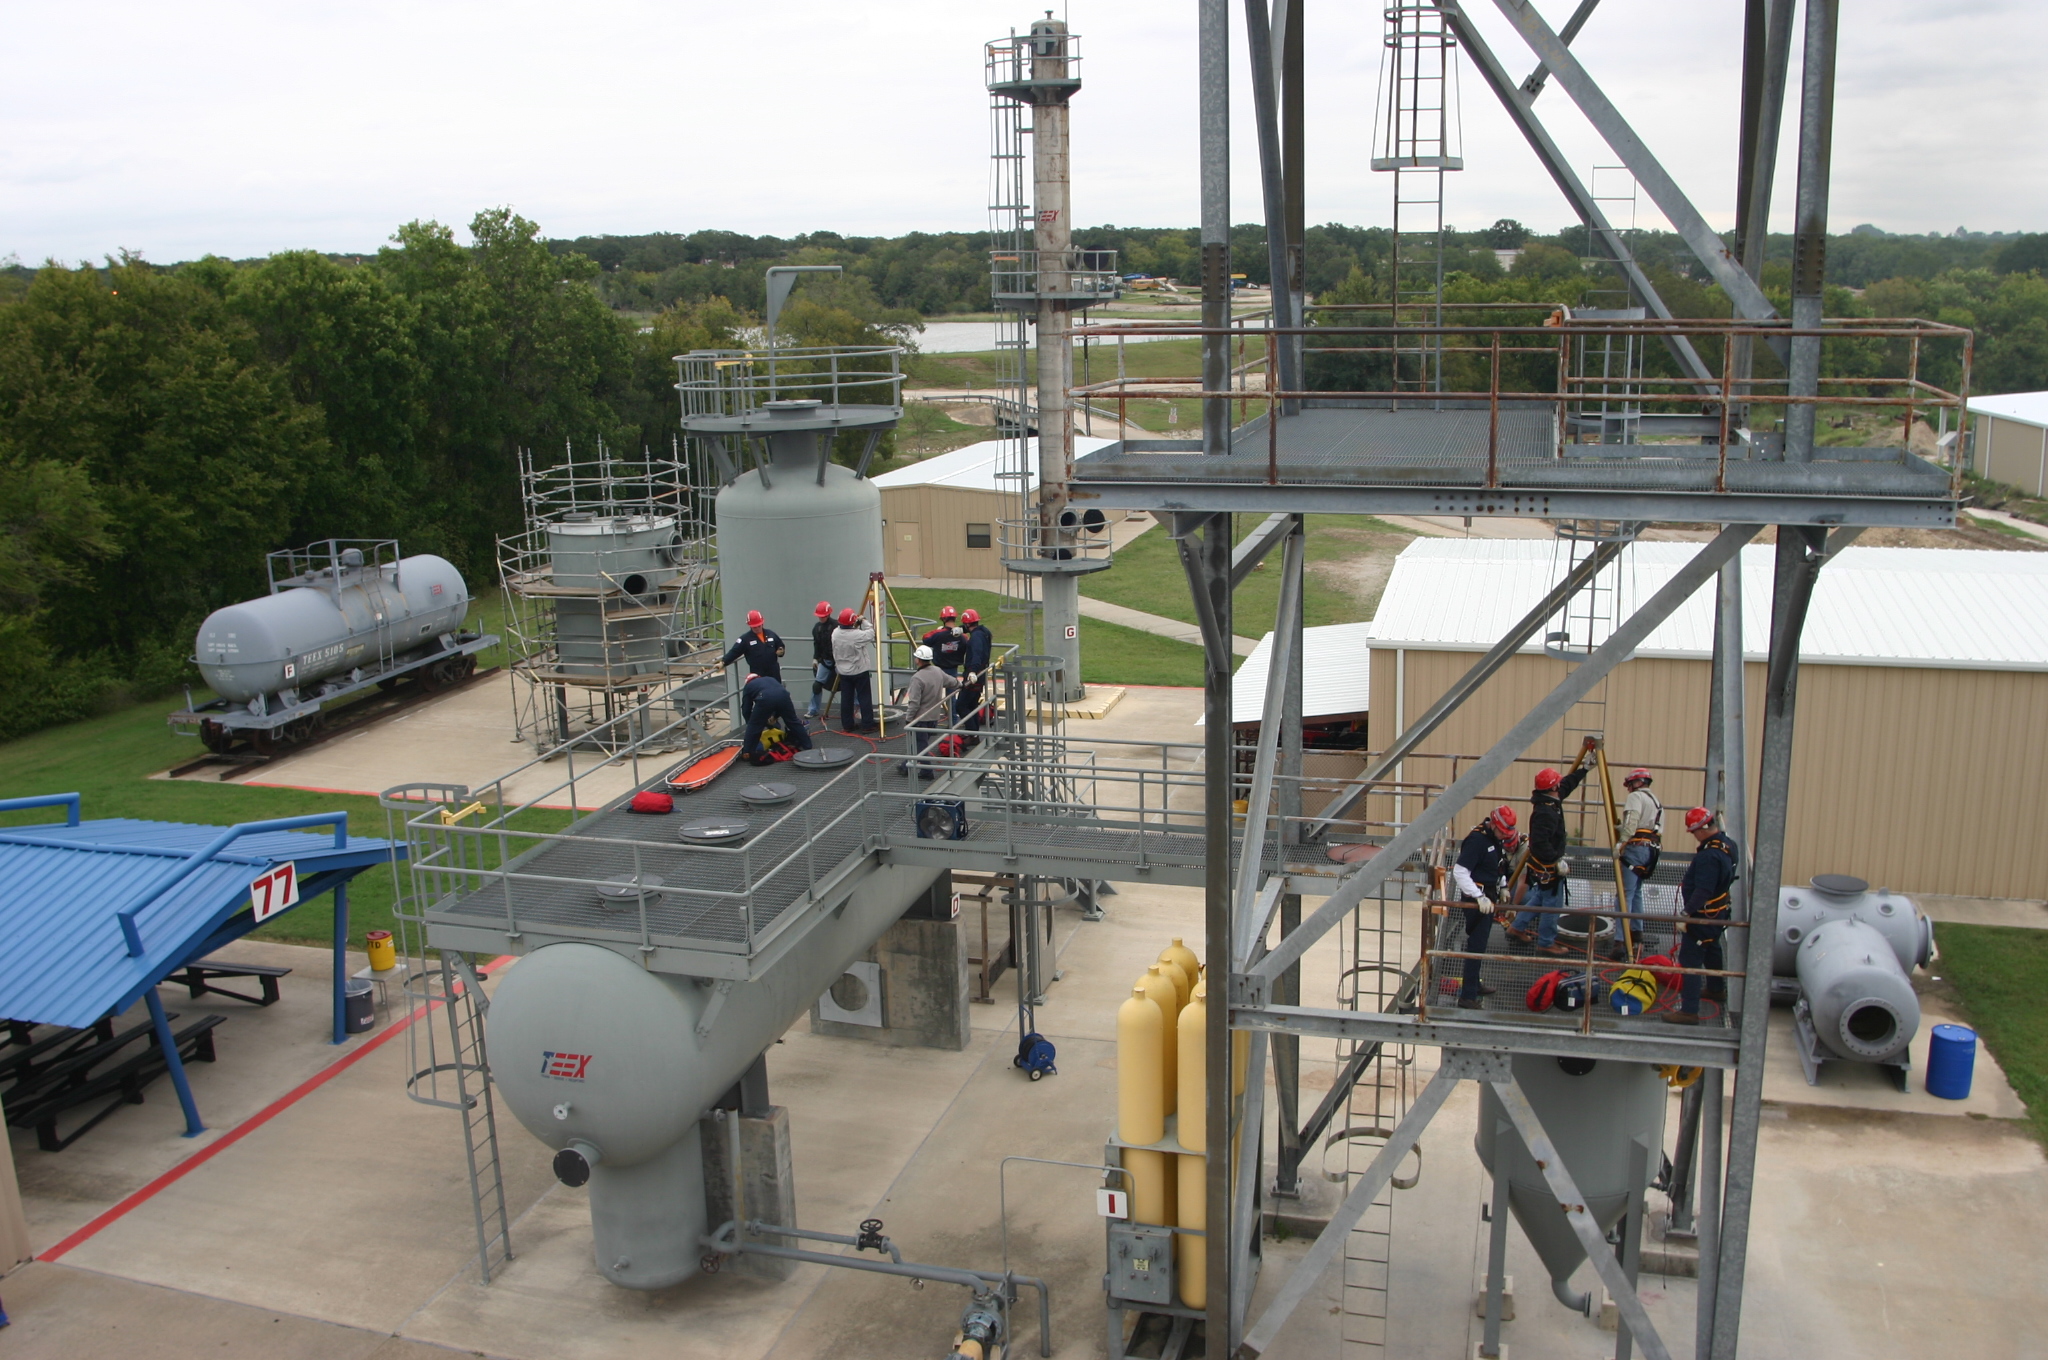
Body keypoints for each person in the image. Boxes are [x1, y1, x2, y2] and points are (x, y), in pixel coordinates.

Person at [1507, 743, 1595, 955]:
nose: (1560, 787)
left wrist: (1584, 769)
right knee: (1552, 905)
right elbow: (1540, 843)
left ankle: (1517, 927)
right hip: (1547, 865)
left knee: (1540, 898)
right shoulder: (1546, 812)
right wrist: (1556, 862)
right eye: (1557, 784)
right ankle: (1546, 942)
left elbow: (1567, 785)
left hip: (1543, 864)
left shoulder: (1549, 800)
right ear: (1552, 788)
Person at [1664, 807, 1740, 1025]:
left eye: (1694, 831)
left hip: (1703, 918)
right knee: (1712, 947)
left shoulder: (1709, 856)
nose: (1694, 835)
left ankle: (1689, 1011)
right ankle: (1716, 989)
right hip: (1719, 914)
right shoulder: (1728, 845)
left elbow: (1704, 890)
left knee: (1690, 960)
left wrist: (1686, 915)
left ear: (1703, 828)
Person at [1451, 806, 1520, 1009]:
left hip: (1487, 898)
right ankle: (1468, 996)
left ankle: (1474, 984)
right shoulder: (1477, 841)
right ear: (1494, 825)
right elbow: (1460, 872)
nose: (1503, 837)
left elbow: (1498, 866)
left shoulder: (1494, 839)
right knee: (1476, 946)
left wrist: (1503, 886)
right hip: (1477, 901)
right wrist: (1479, 897)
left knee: (1479, 944)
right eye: (1502, 833)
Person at [902, 643, 961, 779]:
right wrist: (962, 685)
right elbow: (952, 682)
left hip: (920, 719)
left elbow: (914, 702)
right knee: (919, 744)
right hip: (934, 717)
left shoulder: (917, 678)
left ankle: (926, 772)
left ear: (918, 659)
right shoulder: (937, 671)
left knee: (922, 747)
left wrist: (909, 719)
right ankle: (906, 765)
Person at [1618, 767, 1663, 920]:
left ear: (1638, 782)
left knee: (1625, 895)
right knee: (1636, 893)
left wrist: (1621, 842)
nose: (1629, 789)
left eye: (1630, 784)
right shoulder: (1656, 802)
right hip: (1651, 851)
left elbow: (1632, 821)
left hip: (1636, 849)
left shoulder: (1636, 797)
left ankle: (1621, 938)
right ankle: (1637, 935)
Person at [738, 673, 813, 763]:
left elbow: (746, 709)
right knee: (793, 721)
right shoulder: (770, 678)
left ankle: (747, 752)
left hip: (764, 698)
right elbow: (776, 697)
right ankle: (808, 745)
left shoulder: (748, 686)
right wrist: (775, 716)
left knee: (754, 726)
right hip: (784, 696)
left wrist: (750, 722)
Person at [830, 607, 877, 732]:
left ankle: (847, 725)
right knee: (864, 697)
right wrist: (863, 620)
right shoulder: (856, 635)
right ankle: (867, 725)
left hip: (843, 672)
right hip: (859, 670)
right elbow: (871, 633)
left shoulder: (835, 633)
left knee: (846, 698)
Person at [956, 608, 994, 731]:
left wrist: (972, 671)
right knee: (972, 705)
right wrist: (960, 629)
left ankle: (972, 732)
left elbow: (976, 655)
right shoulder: (984, 632)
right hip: (980, 675)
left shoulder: (976, 638)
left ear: (967, 623)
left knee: (961, 705)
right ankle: (974, 733)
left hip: (974, 675)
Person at [722, 609, 785, 681]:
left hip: (774, 674)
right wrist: (723, 662)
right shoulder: (745, 639)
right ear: (750, 626)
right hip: (758, 675)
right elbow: (735, 651)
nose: (757, 628)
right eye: (755, 627)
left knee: (776, 691)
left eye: (759, 626)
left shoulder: (771, 634)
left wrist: (781, 650)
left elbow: (780, 645)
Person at [805, 600, 836, 719]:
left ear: (828, 615)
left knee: (849, 684)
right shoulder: (817, 628)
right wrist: (815, 659)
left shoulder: (836, 626)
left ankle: (855, 707)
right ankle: (813, 710)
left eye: (822, 616)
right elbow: (816, 644)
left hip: (839, 661)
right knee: (817, 685)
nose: (821, 618)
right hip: (825, 661)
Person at [922, 606, 967, 676]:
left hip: (938, 669)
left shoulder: (937, 634)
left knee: (937, 686)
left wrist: (939, 631)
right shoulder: (963, 636)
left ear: (943, 619)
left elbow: (925, 639)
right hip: (953, 669)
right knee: (952, 685)